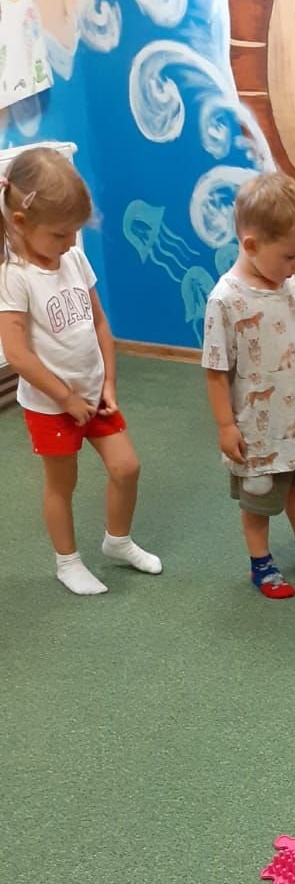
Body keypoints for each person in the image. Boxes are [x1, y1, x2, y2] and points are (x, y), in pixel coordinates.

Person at [0, 147, 161, 595]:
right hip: (52, 406)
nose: (71, 242)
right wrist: (65, 398)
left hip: (94, 395)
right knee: (62, 484)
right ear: (20, 222)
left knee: (127, 467)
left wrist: (109, 381)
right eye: (60, 233)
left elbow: (100, 323)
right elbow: (18, 354)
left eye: (75, 231)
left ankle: (118, 541)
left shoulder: (72, 259)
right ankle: (67, 562)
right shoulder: (14, 277)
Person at [203, 172, 295, 599]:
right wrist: (226, 426)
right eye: (289, 255)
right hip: (256, 431)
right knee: (258, 500)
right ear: (251, 245)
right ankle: (261, 563)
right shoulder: (225, 300)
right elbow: (215, 370)